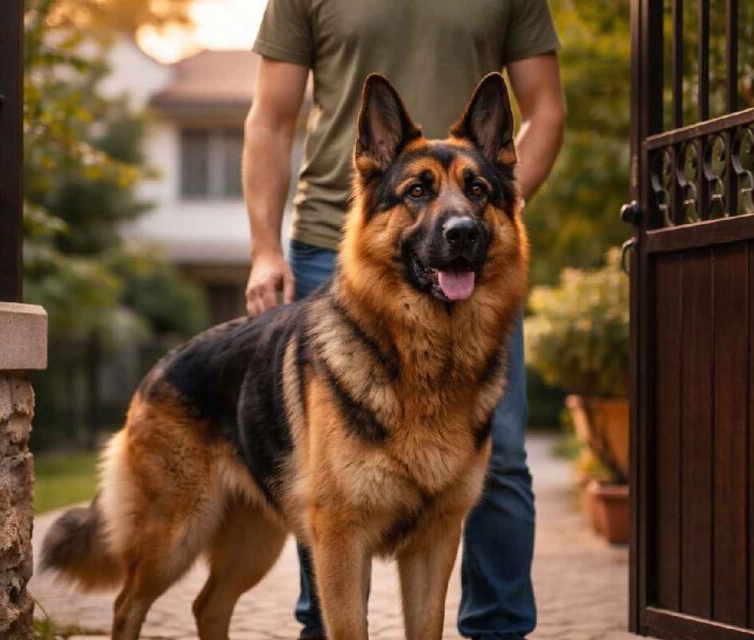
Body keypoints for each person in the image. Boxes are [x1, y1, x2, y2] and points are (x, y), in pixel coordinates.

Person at [242, 1, 565, 638]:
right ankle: (326, 627)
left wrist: (489, 206)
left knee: (498, 466)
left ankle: (498, 633)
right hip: (336, 243)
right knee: (331, 485)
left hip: (479, 272)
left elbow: (545, 109)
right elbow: (272, 119)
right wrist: (263, 247)